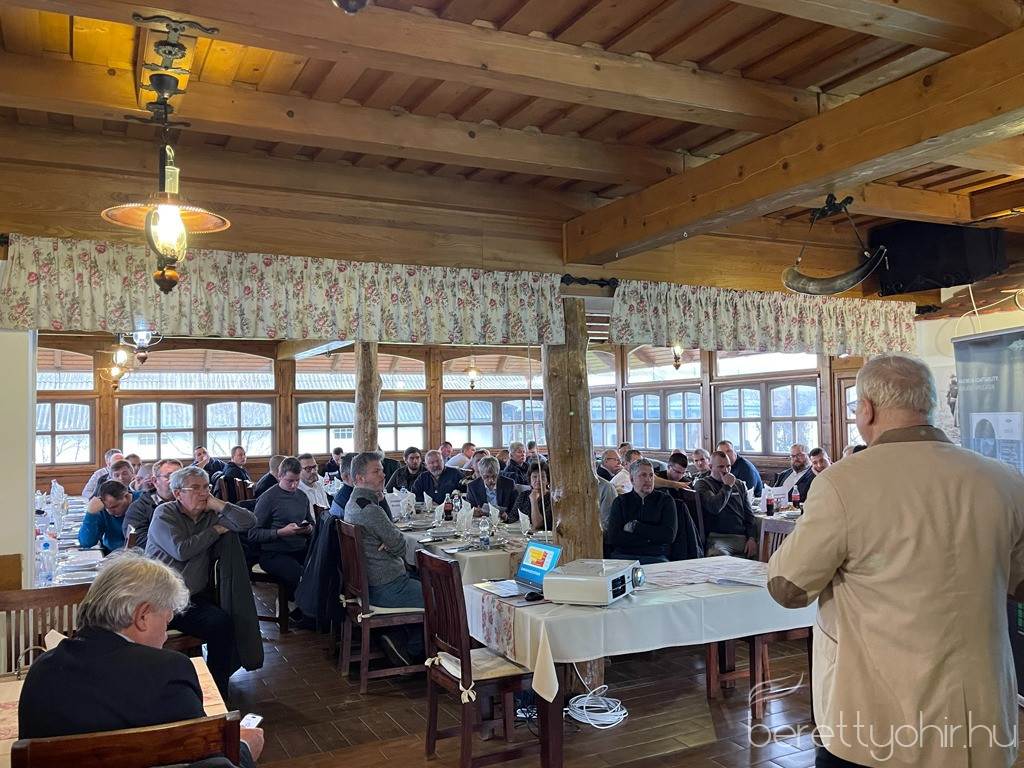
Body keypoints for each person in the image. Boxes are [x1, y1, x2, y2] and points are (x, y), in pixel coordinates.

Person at [768, 353, 1024, 768]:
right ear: (930, 405)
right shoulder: (1004, 478)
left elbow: (788, 588)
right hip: (980, 717)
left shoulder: (842, 483)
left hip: (879, 720)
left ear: (866, 410)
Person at [17, 552, 264, 768]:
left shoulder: (41, 671)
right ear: (142, 616)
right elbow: (205, 760)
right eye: (166, 622)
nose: (165, 636)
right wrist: (242, 750)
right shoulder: (167, 671)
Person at [147, 465, 257, 696]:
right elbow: (181, 550)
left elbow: (249, 522)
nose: (203, 493)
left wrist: (220, 505)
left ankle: (216, 692)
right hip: (158, 600)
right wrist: (216, 530)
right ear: (178, 493)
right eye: (195, 488)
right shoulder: (165, 514)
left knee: (223, 624)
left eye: (206, 487)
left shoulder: (210, 514)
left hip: (191, 600)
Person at [343, 451, 424, 666]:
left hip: (370, 584)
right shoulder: (370, 510)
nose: (383, 475)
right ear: (360, 478)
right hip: (387, 587)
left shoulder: (354, 503)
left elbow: (395, 542)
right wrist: (392, 542)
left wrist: (390, 541)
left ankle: (399, 636)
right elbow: (401, 546)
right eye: (376, 471)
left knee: (427, 584)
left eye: (381, 470)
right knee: (444, 597)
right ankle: (411, 650)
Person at [251, 457, 314, 624]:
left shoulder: (302, 496)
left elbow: (311, 523)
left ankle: (312, 611)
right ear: (279, 476)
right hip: (273, 552)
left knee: (321, 567)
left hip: (299, 547)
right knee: (295, 573)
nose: (294, 485)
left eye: (297, 480)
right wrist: (280, 532)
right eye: (290, 481)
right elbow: (253, 533)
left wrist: (309, 529)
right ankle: (297, 610)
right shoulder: (268, 498)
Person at [605, 459, 677, 564]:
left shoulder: (665, 501)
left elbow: (668, 536)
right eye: (643, 475)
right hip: (623, 557)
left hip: (655, 557)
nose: (648, 480)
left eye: (651, 475)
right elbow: (614, 537)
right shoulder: (621, 501)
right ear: (632, 479)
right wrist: (651, 539)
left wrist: (634, 527)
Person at [694, 450, 756, 558]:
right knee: (719, 555)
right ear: (710, 467)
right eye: (721, 467)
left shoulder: (739, 484)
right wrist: (727, 486)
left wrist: (752, 538)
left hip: (740, 537)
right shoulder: (703, 484)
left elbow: (749, 515)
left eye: (728, 466)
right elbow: (714, 507)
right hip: (718, 538)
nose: (726, 471)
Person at [124, 458, 182, 551]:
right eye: (169, 476)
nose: (176, 481)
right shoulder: (139, 507)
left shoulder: (189, 504)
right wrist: (175, 544)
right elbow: (138, 541)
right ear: (155, 481)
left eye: (180, 477)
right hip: (152, 557)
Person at [79, 480, 132, 552]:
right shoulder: (102, 508)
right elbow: (86, 543)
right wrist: (90, 514)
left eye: (114, 506)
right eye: (106, 508)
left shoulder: (141, 502)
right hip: (111, 553)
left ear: (127, 497)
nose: (110, 512)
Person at [510, 462, 553, 531]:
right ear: (530, 480)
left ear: (547, 480)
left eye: (542, 476)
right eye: (534, 477)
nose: (538, 480)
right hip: (523, 533)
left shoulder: (551, 498)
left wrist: (533, 501)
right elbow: (513, 517)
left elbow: (537, 525)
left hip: (543, 536)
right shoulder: (523, 495)